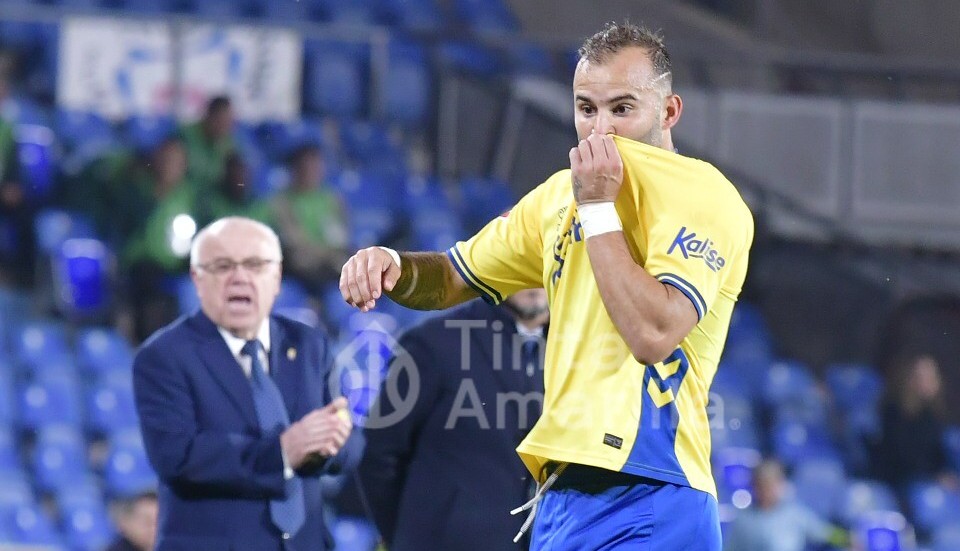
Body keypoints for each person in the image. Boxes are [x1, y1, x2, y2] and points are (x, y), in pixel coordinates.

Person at [339, 22, 754, 550]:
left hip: (651, 489)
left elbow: (654, 333)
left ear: (669, 111)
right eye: (586, 108)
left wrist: (598, 208)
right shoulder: (559, 196)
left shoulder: (701, 194)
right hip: (560, 496)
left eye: (622, 109)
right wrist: (393, 266)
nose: (600, 130)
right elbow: (451, 277)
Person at [133, 216, 359, 551]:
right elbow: (177, 457)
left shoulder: (310, 344)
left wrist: (331, 442)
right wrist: (282, 452)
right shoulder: (164, 356)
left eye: (255, 265)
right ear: (197, 279)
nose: (239, 277)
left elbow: (351, 444)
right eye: (222, 266)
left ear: (277, 277)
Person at [359, 289, 549, 551]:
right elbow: (379, 453)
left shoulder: (584, 351)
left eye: (543, 268)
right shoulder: (433, 341)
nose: (534, 279)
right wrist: (408, 536)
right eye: (526, 267)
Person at [870, 354, 958, 492]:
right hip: (897, 483)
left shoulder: (933, 416)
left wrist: (945, 475)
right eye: (922, 378)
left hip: (925, 481)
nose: (929, 383)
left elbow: (936, 454)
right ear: (910, 380)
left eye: (932, 377)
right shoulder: (893, 413)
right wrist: (934, 477)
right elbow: (900, 457)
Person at [270, 143, 349, 287]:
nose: (311, 170)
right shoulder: (283, 202)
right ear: (295, 169)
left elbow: (341, 236)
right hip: (305, 266)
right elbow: (296, 243)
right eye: (305, 166)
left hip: (332, 261)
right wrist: (328, 255)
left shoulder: (332, 199)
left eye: (315, 165)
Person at [723, 460, 845, 551]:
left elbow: (823, 532)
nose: (767, 491)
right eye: (762, 485)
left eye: (771, 485)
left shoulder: (794, 513)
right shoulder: (744, 519)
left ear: (781, 485)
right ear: (755, 487)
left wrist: (847, 539)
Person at [179, 95, 236, 192]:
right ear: (209, 116)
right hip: (183, 193)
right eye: (220, 121)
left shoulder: (228, 144)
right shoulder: (184, 136)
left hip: (213, 197)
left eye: (228, 123)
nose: (224, 128)